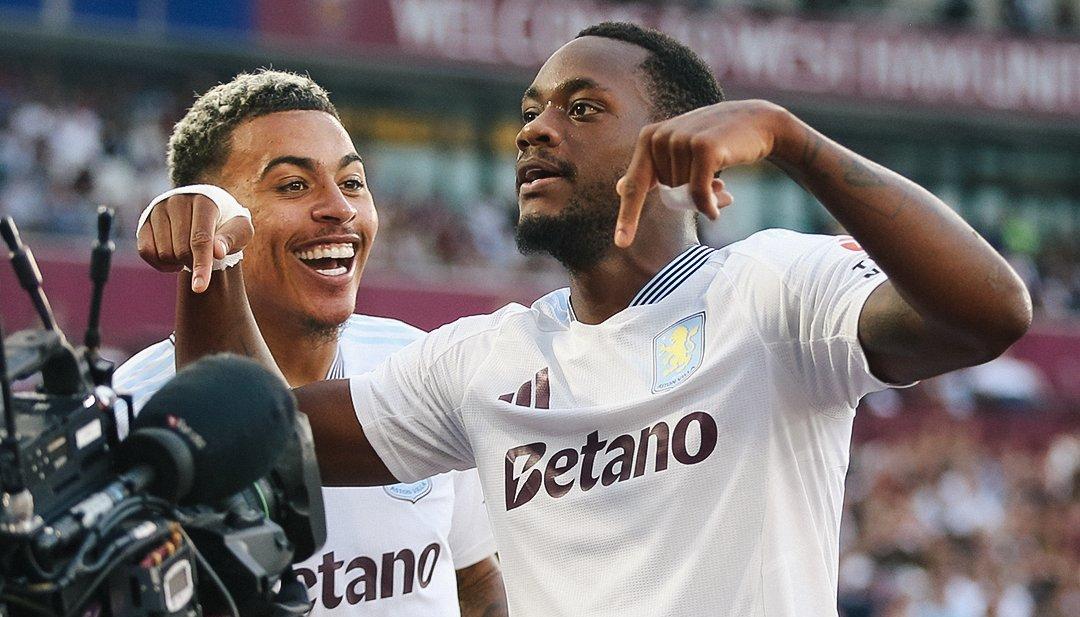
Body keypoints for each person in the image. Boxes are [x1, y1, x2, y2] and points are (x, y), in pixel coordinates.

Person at [139, 24, 1032, 617]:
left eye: (581, 108)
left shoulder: (770, 290)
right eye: (529, 112)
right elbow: (255, 437)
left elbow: (987, 312)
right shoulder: (486, 359)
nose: (534, 130)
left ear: (684, 143)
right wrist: (209, 250)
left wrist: (790, 137)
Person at [114, 70, 507, 617]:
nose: (339, 209)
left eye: (352, 183)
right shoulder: (132, 412)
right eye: (293, 186)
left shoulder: (420, 368)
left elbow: (475, 580)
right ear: (208, 218)